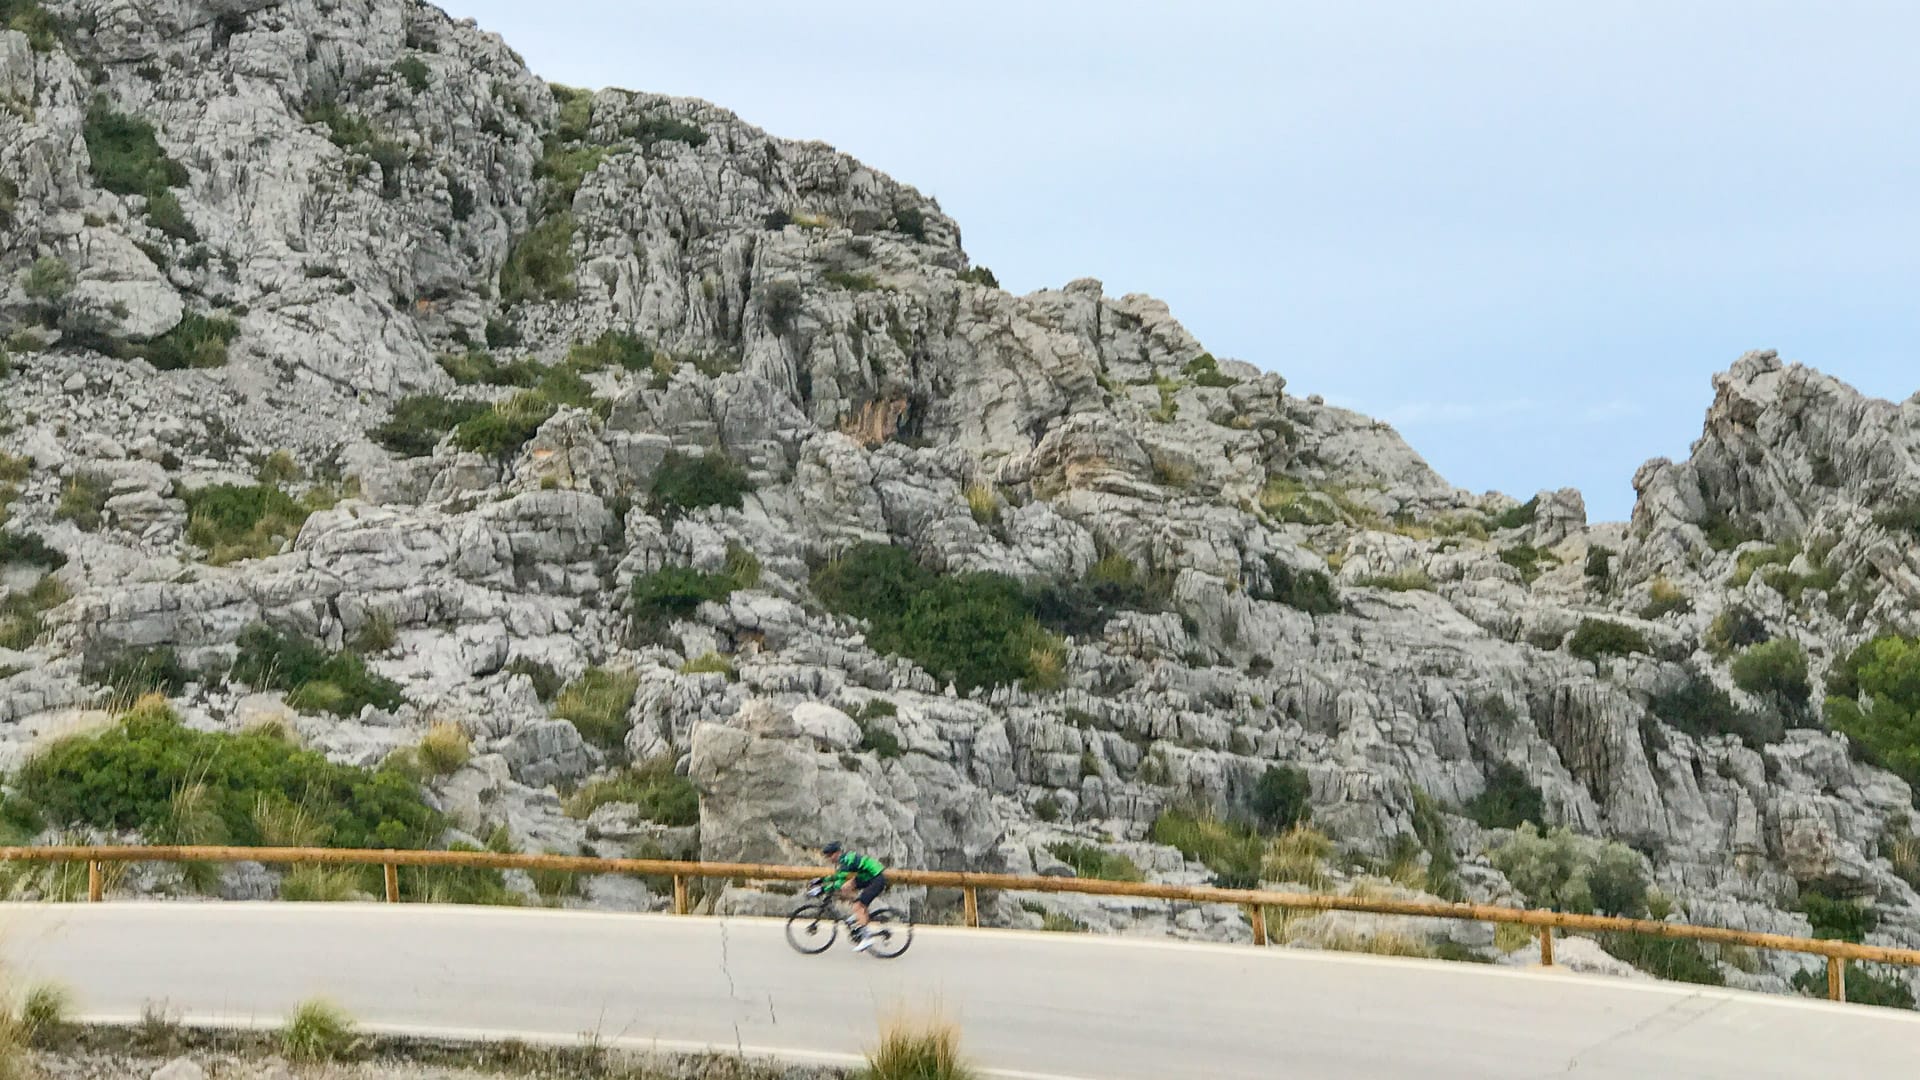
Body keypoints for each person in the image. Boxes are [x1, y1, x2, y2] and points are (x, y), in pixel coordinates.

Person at [819, 841, 887, 951]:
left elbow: (840, 880)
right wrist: (820, 880)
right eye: (827, 856)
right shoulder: (844, 859)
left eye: (830, 855)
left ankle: (867, 938)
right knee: (846, 887)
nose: (829, 858)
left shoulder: (847, 861)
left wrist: (823, 888)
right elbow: (838, 876)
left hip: (876, 879)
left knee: (858, 906)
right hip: (867, 876)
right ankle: (856, 916)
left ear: (837, 853)